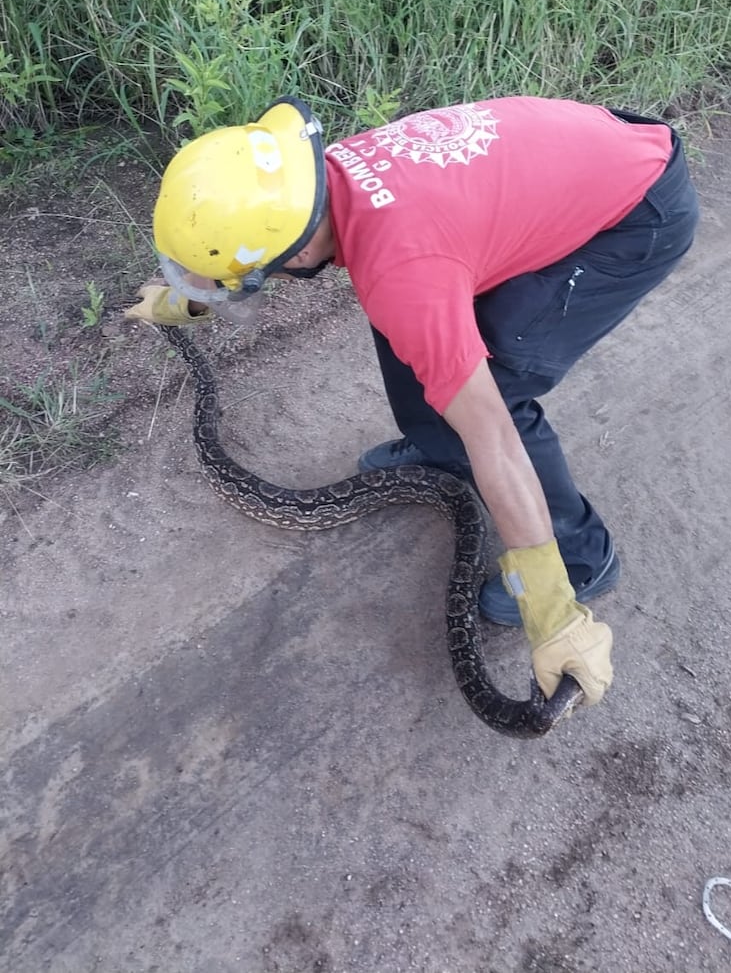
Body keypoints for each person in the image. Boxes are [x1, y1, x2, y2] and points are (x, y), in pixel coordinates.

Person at [127, 94, 699, 711]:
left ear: (293, 255)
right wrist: (182, 300)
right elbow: (393, 281)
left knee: (493, 389)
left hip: (635, 214)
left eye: (253, 277)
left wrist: (551, 612)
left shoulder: (401, 265)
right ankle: (437, 447)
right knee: (417, 334)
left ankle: (579, 555)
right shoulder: (319, 183)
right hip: (587, 157)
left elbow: (493, 436)